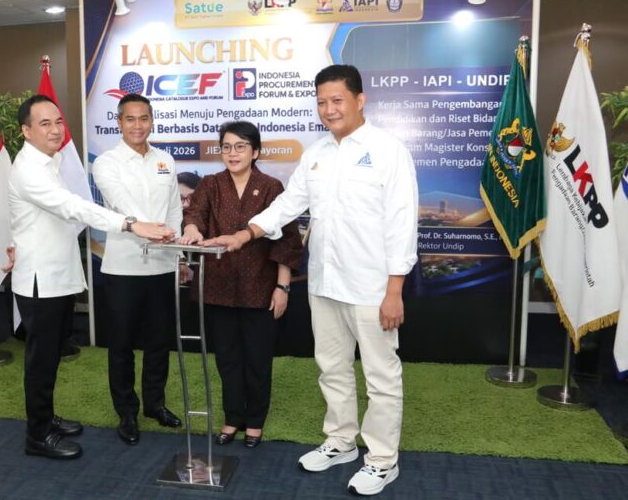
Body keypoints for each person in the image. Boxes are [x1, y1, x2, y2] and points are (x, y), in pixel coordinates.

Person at [201, 65, 418, 496]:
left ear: (360, 100)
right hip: (324, 283)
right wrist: (244, 234)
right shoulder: (317, 153)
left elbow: (401, 222)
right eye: (321, 102)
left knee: (381, 376)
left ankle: (382, 460)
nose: (329, 109)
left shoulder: (388, 150)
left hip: (372, 288)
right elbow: (287, 206)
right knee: (332, 369)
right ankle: (341, 441)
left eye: (337, 100)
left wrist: (395, 289)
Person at [8, 94, 174, 460]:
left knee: (52, 355)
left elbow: (29, 219)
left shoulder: (49, 162)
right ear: (26, 131)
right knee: (41, 360)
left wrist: (13, 243)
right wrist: (131, 224)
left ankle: (46, 418)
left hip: (58, 275)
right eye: (45, 124)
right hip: (40, 279)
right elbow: (73, 207)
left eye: (58, 122)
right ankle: (37, 435)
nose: (55, 130)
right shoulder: (30, 168)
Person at [179, 121, 303, 448]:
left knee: (258, 359)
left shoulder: (272, 187)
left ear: (255, 151)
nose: (232, 153)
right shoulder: (211, 184)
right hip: (217, 287)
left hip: (260, 288)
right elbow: (195, 214)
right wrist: (191, 229)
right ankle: (233, 417)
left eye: (240, 147)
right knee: (227, 358)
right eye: (226, 147)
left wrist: (282, 287)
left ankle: (255, 422)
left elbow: (287, 241)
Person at [92, 93, 188, 446]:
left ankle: (154, 404)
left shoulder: (165, 160)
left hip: (162, 265)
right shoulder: (106, 163)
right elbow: (123, 205)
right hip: (123, 269)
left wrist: (177, 253)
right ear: (119, 122)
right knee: (121, 345)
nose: (137, 125)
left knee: (159, 343)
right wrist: (153, 230)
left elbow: (175, 210)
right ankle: (127, 412)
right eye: (130, 119)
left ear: (152, 121)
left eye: (143, 118)